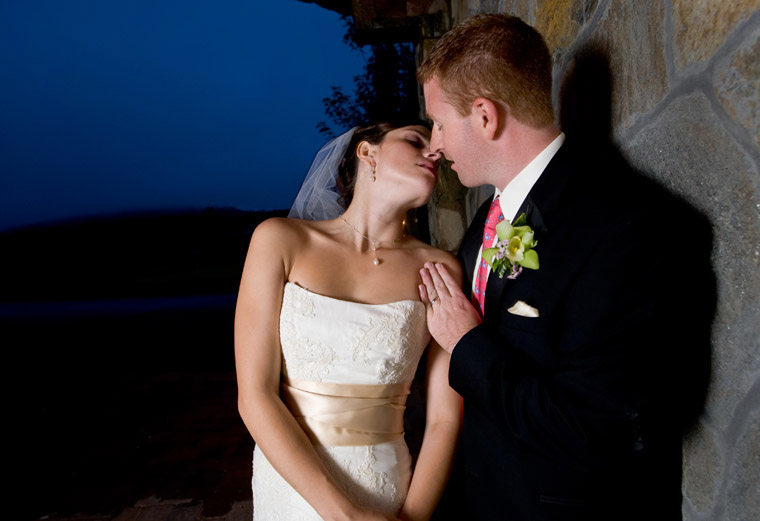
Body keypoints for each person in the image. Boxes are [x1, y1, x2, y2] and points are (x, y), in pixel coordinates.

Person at [416, 13, 705, 520]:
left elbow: (609, 429)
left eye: (439, 122)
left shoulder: (628, 228)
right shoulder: (487, 219)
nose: (435, 143)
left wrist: (468, 344)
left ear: (485, 116)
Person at [235, 121, 462, 521]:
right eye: (415, 140)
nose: (434, 153)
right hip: (291, 487)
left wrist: (412, 517)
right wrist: (344, 514)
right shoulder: (279, 241)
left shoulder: (440, 268)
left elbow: (445, 419)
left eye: (438, 150)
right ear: (366, 152)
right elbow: (255, 395)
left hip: (386, 486)